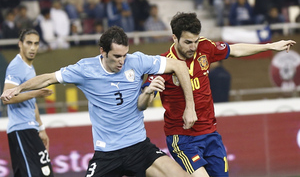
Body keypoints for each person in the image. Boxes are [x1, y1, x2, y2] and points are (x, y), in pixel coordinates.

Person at [1, 26, 198, 177]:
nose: (122, 61)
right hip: (107, 154)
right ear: (102, 51)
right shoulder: (85, 69)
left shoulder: (136, 61)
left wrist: (190, 107)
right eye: (116, 56)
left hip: (139, 147)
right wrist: (19, 88)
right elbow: (48, 78)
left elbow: (179, 66)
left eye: (124, 55)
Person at [140, 12, 296, 177]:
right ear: (174, 38)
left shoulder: (205, 47)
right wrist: (149, 93)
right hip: (183, 138)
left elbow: (235, 50)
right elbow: (144, 99)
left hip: (210, 134)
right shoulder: (163, 64)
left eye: (195, 41)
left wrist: (270, 46)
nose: (193, 47)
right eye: (187, 42)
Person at [2, 28, 54, 176]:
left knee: (45, 173)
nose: (33, 47)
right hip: (20, 129)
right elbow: (7, 97)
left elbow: (32, 102)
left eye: (36, 44)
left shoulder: (29, 68)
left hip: (31, 128)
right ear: (20, 44)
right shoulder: (16, 66)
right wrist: (37, 92)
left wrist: (41, 128)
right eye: (29, 43)